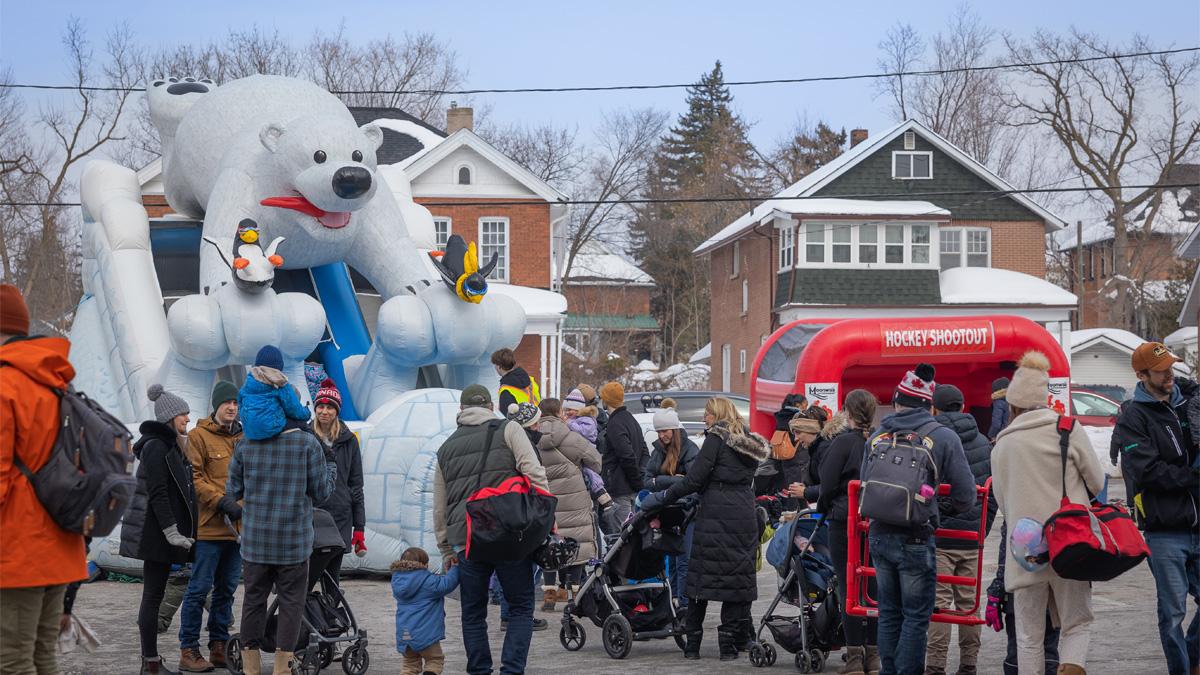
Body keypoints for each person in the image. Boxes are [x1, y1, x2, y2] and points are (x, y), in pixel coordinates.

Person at [992, 351, 1104, 675]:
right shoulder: (1067, 428)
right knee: (1076, 624)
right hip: (1071, 542)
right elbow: (1096, 482)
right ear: (1044, 399)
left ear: (1012, 404)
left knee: (1028, 635)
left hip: (1025, 550)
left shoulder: (1002, 444)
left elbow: (1003, 501)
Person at [0, 284, 89, 674]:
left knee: (12, 658)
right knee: (41, 654)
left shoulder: (5, 386)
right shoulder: (57, 381)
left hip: (19, 549)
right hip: (61, 544)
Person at [641, 397, 770, 661]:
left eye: (708, 414)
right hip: (743, 514)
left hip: (715, 515)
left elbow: (694, 479)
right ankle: (728, 646)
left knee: (701, 580)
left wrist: (664, 496)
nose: (704, 419)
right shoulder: (751, 445)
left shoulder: (716, 439)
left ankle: (693, 646)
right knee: (736, 582)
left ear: (719, 414)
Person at [433, 384, 549, 675]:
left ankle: (479, 670)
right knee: (521, 606)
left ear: (461, 410)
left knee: (473, 614)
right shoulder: (509, 430)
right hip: (509, 534)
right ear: (490, 406)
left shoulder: (445, 448)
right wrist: (544, 515)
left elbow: (439, 506)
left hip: (467, 540)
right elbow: (534, 472)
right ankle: (511, 670)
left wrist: (446, 547)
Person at [866, 364, 975, 675]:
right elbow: (966, 495)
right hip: (916, 535)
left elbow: (864, 482)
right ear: (929, 405)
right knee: (915, 615)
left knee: (888, 612)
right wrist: (941, 508)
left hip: (878, 532)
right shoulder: (943, 437)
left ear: (898, 402)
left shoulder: (877, 436)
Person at [227, 385, 336, 675]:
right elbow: (321, 492)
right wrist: (332, 469)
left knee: (253, 600)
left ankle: (250, 667)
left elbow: (233, 490)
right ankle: (282, 668)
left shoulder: (245, 444)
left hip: (255, 542)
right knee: (290, 604)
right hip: (294, 542)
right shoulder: (307, 443)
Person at [1113, 342, 1200, 675]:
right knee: (1173, 613)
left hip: (1197, 524)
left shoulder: (1188, 405)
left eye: (1172, 368)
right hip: (1164, 531)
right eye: (1162, 371)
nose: (1170, 375)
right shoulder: (1134, 416)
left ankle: (1192, 656)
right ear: (1141, 375)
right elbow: (1146, 471)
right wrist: (1192, 476)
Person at [120, 385, 198, 675]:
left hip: (166, 533)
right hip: (156, 534)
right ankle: (150, 662)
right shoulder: (156, 446)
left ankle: (151, 662)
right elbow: (158, 493)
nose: (188, 419)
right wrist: (171, 532)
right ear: (169, 416)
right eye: (183, 414)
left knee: (157, 593)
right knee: (153, 596)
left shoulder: (171, 445)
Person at [925, 384, 998, 675]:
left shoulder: (932, 440)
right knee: (969, 604)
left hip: (940, 537)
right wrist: (982, 530)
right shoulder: (982, 441)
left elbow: (926, 489)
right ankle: (969, 664)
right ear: (962, 405)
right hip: (972, 539)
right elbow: (991, 495)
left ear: (934, 408)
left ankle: (935, 666)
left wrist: (932, 522)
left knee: (940, 604)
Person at [178, 380, 244, 672]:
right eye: (227, 402)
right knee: (198, 589)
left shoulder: (245, 437)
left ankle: (219, 645)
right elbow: (194, 479)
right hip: (209, 528)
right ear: (216, 406)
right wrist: (221, 501)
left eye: (235, 403)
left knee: (227, 589)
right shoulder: (198, 437)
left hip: (237, 531)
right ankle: (188, 649)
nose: (232, 407)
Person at [815, 390, 881, 675]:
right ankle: (874, 655)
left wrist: (822, 508)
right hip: (877, 519)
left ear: (848, 413)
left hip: (844, 521)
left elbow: (826, 484)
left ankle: (854, 658)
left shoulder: (842, 443)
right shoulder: (880, 441)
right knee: (874, 586)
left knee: (848, 586)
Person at [536, 398, 603, 612]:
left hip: (544, 502)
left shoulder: (530, 439)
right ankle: (573, 594)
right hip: (574, 501)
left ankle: (549, 595)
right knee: (577, 541)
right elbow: (596, 462)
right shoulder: (571, 438)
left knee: (547, 544)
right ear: (559, 413)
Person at [985, 520, 1061, 675]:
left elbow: (1005, 555)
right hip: (1053, 587)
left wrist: (996, 590)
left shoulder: (1016, 513)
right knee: (1048, 651)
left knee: (1019, 649)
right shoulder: (1058, 508)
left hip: (1020, 588)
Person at [643, 407, 701, 605]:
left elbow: (694, 484)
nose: (662, 435)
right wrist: (675, 481)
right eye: (659, 431)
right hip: (667, 511)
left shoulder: (690, 449)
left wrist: (661, 481)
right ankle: (674, 600)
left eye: (665, 431)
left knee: (683, 561)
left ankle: (683, 603)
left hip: (687, 511)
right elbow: (647, 481)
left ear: (674, 430)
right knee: (673, 563)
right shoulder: (658, 450)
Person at [311, 378, 367, 580]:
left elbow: (356, 485)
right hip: (312, 514)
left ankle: (329, 610)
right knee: (306, 577)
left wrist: (359, 527)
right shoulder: (306, 436)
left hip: (339, 516)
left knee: (332, 578)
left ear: (337, 411)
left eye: (329, 407)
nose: (324, 411)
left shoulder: (349, 441)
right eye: (321, 406)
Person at [391, 547, 460, 675]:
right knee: (434, 660)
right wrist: (455, 568)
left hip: (404, 634)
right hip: (426, 635)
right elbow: (448, 583)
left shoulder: (397, 580)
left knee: (410, 665)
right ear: (424, 564)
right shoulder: (428, 581)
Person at [238, 345, 311, 441]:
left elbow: (240, 405)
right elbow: (294, 409)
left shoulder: (248, 382)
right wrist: (307, 412)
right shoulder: (280, 382)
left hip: (250, 432)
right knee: (302, 425)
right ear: (279, 366)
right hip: (272, 429)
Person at [600, 381, 648, 523]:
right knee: (631, 532)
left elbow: (626, 455)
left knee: (621, 536)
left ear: (606, 400)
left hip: (621, 490)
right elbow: (644, 450)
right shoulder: (631, 419)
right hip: (631, 489)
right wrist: (639, 479)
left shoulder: (615, 423)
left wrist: (637, 481)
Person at [492, 348, 540, 413]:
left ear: (499, 366)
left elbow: (507, 416)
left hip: (521, 422)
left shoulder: (506, 389)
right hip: (536, 417)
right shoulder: (530, 379)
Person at [988, 377, 1011, 441]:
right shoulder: (1013, 399)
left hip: (1004, 434)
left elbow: (996, 424)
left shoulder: (998, 402)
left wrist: (992, 435)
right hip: (1014, 431)